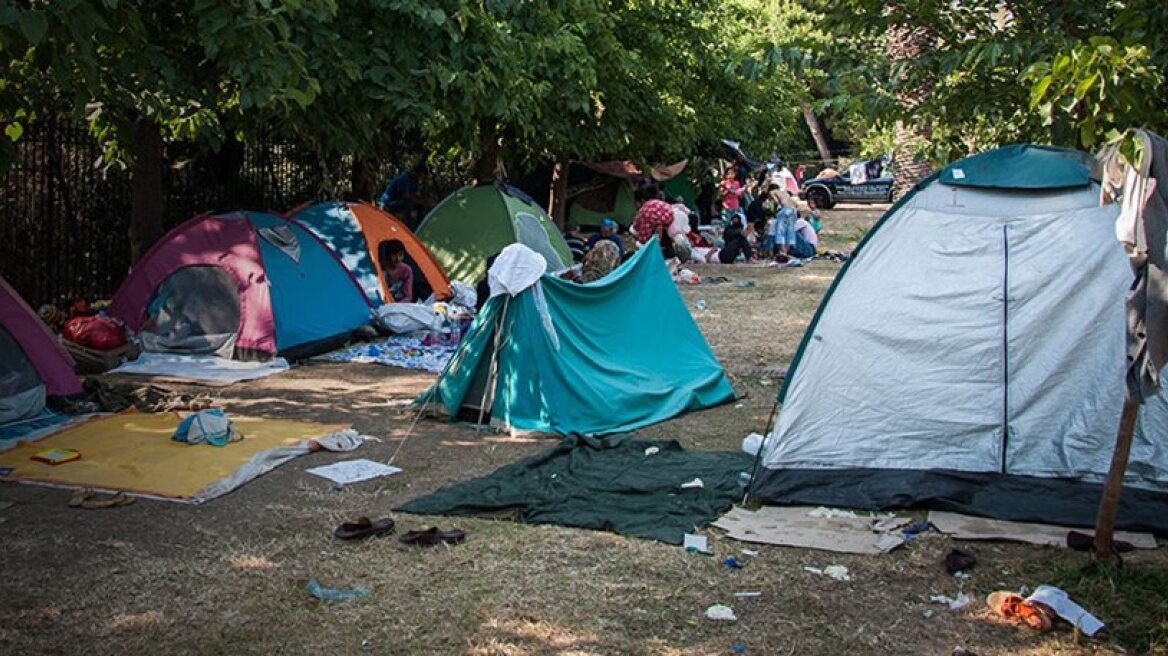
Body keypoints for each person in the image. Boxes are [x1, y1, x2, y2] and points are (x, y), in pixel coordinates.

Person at [377, 162, 433, 229]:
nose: (421, 178)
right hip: (387, 204)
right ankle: (408, 227)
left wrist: (426, 201)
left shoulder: (415, 182)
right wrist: (423, 202)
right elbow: (406, 196)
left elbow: (415, 196)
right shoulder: (404, 178)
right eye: (421, 176)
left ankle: (417, 227)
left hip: (399, 202)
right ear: (417, 173)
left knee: (419, 207)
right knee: (408, 205)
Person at [632, 185, 676, 259]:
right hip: (669, 238)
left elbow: (641, 232)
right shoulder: (663, 204)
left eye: (636, 203)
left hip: (656, 242)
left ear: (641, 200)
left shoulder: (643, 210)